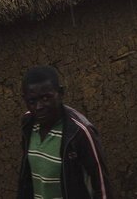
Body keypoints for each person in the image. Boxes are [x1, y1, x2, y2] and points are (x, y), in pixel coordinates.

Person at [17, 65, 112, 199]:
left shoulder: (79, 132)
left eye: (46, 98)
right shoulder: (28, 124)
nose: (39, 107)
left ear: (60, 93)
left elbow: (101, 185)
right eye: (32, 101)